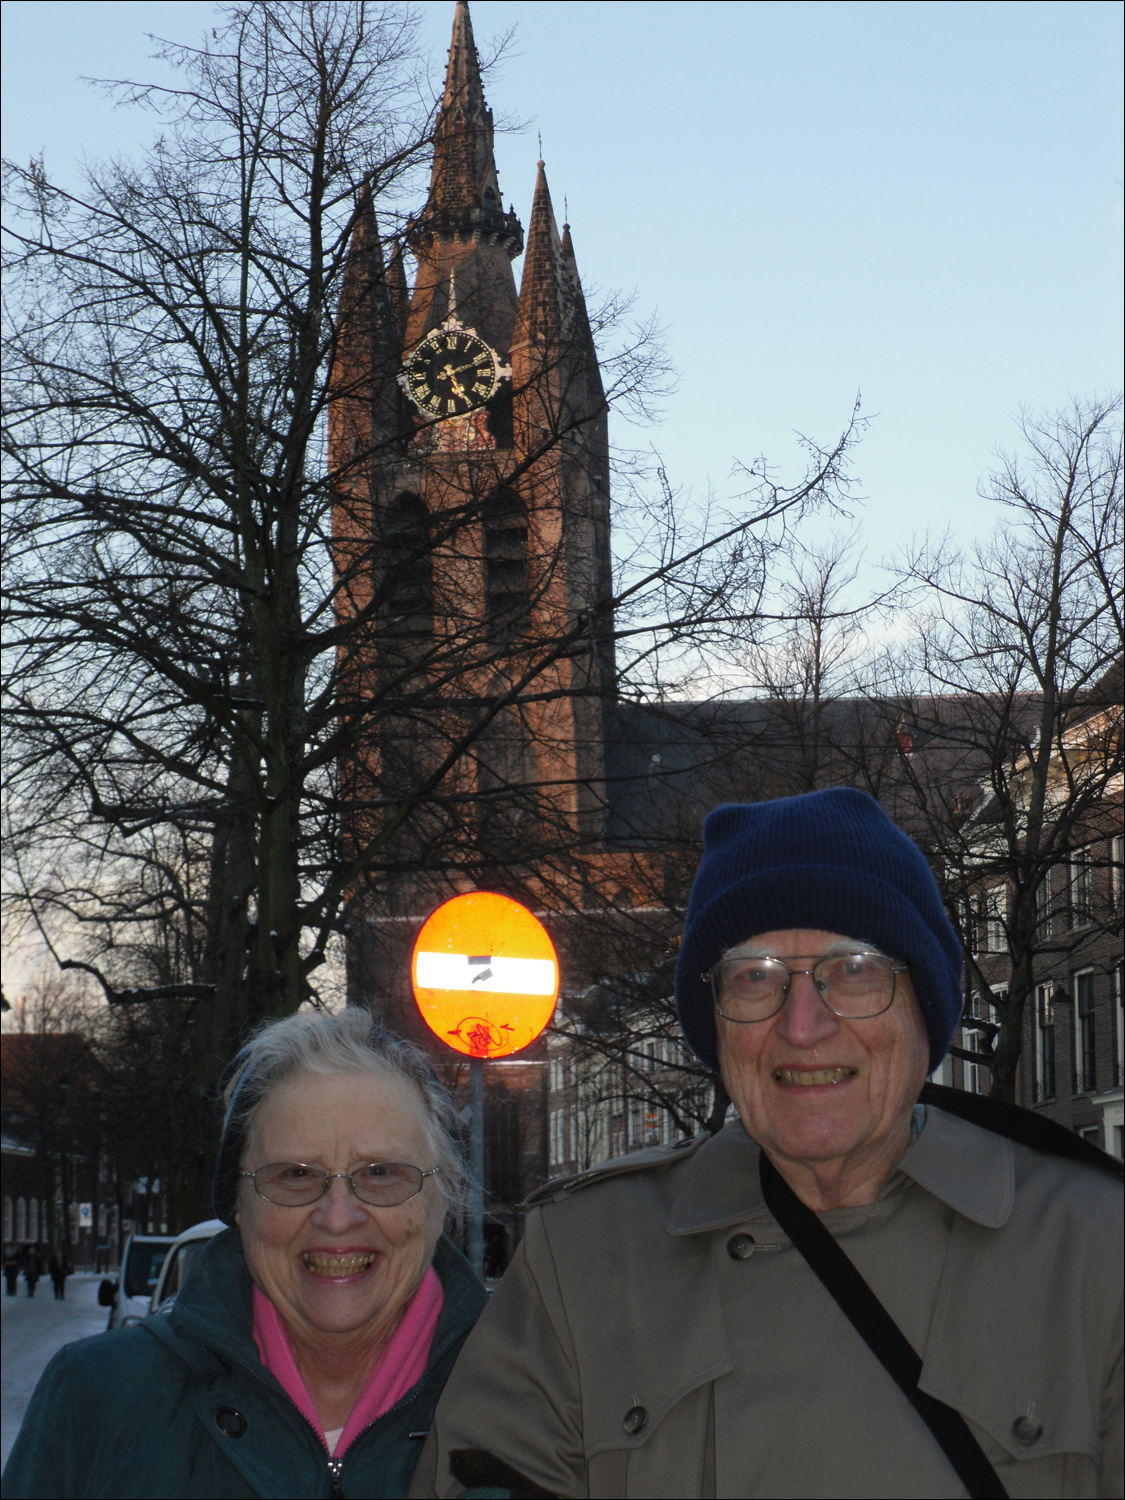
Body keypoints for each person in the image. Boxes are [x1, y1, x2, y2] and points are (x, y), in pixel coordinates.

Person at [412, 788, 1124, 1500]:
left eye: (853, 969)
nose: (802, 1025)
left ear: (923, 1007)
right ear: (715, 1025)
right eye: (754, 977)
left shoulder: (1093, 1250)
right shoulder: (584, 1262)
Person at [3, 1009, 488, 1498]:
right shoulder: (95, 1398)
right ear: (238, 1203)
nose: (338, 1217)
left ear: (443, 1196)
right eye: (295, 1175)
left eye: (381, 1172)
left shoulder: (535, 1406)